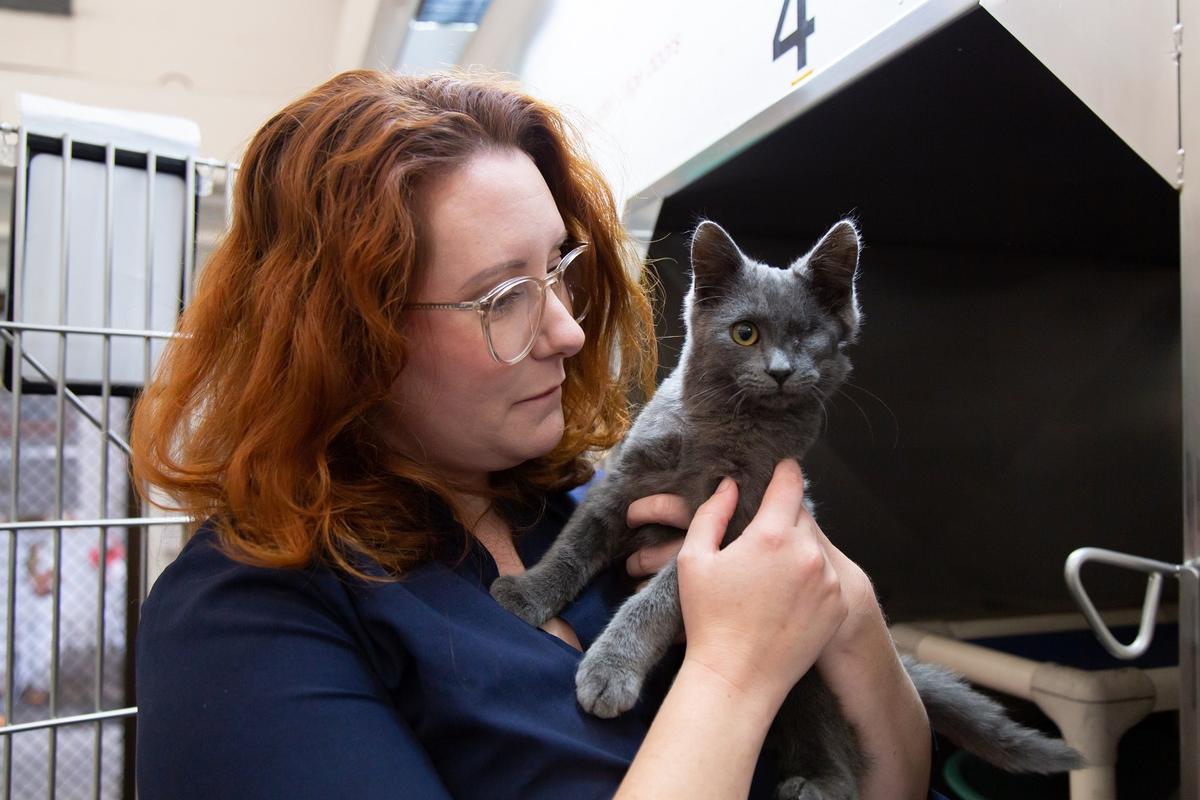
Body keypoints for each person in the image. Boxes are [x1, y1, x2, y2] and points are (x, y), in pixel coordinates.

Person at [130, 69, 935, 799]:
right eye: (503, 296)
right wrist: (734, 674)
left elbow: (898, 788)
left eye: (557, 267)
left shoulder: (586, 505)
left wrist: (843, 606)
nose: (569, 331)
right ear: (351, 342)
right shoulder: (243, 624)